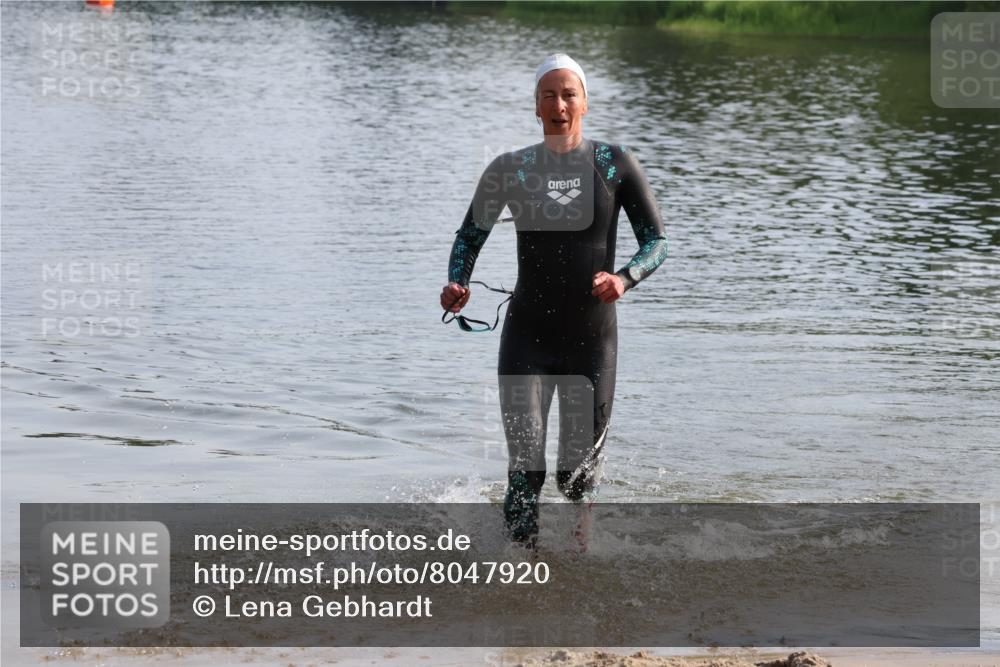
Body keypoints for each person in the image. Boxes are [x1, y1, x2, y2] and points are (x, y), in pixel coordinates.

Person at [441, 53, 668, 548]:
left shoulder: (614, 163)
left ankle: (584, 523)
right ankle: (520, 576)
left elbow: (657, 243)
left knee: (574, 478)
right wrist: (458, 283)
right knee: (525, 473)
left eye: (569, 94)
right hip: (528, 338)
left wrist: (625, 279)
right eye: (549, 95)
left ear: (584, 102)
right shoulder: (511, 168)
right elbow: (469, 235)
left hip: (592, 341)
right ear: (536, 107)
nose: (559, 104)